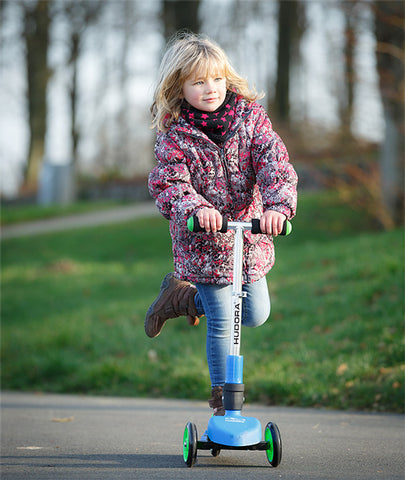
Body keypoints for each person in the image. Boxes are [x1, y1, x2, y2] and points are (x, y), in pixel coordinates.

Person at [145, 32, 297, 416]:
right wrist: (195, 209)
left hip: (249, 240)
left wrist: (277, 207)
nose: (210, 88)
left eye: (216, 78)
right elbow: (169, 182)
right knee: (222, 318)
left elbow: (274, 164)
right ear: (178, 86)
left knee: (255, 313)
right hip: (204, 244)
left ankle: (179, 298)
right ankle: (224, 404)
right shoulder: (175, 134)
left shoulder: (251, 119)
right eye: (198, 81)